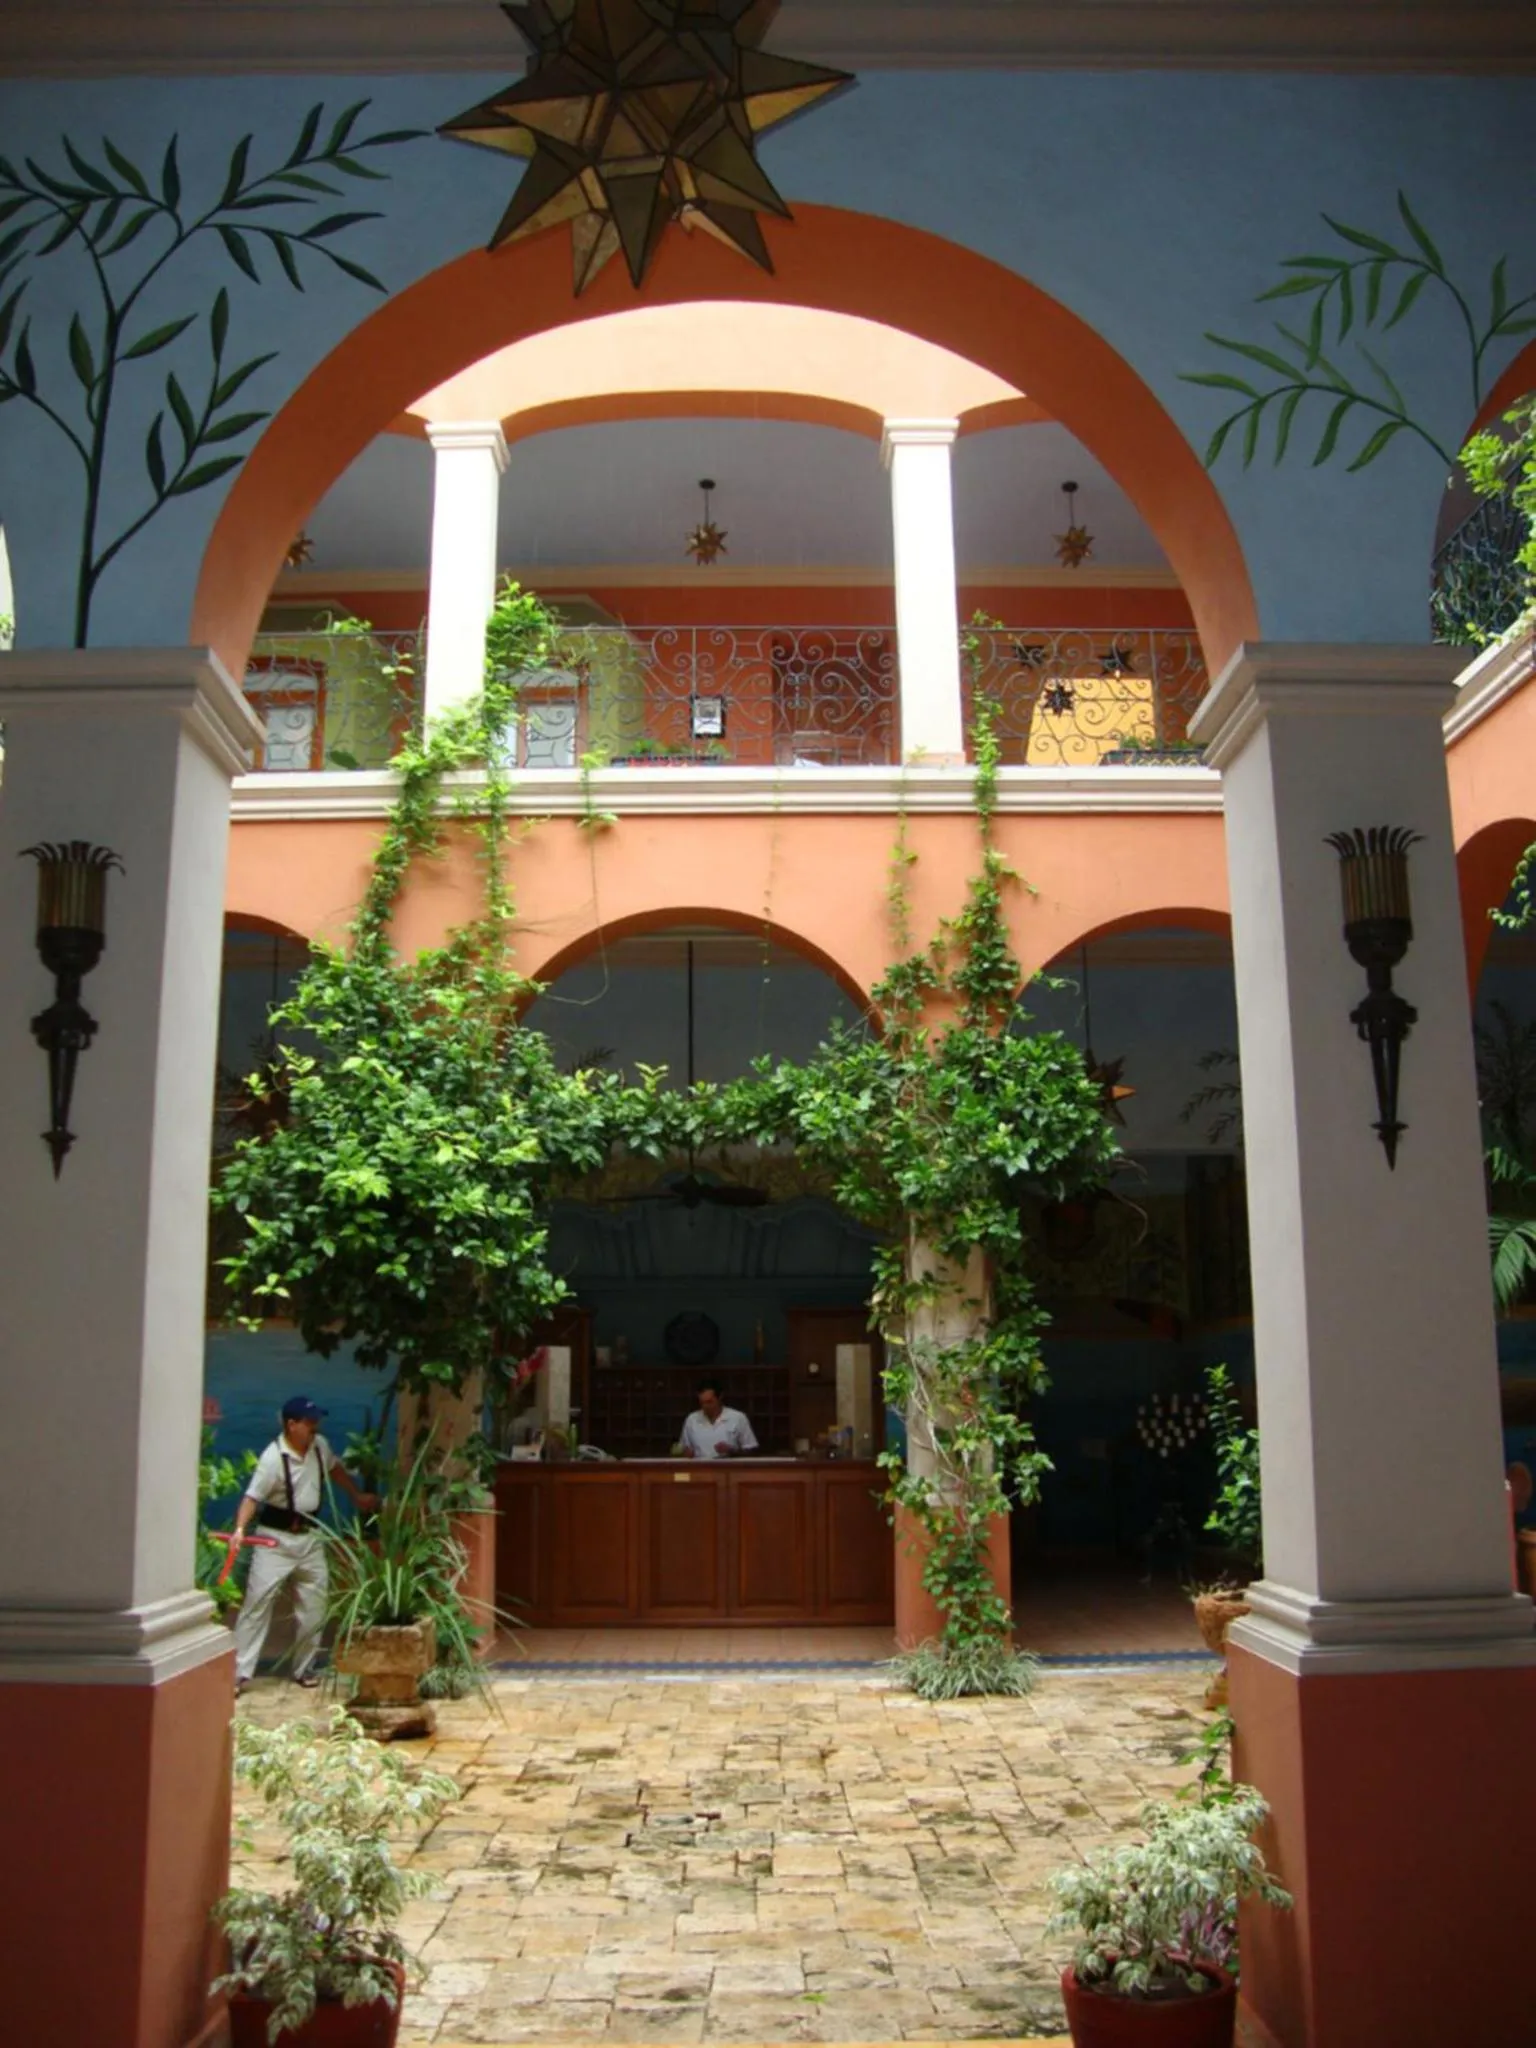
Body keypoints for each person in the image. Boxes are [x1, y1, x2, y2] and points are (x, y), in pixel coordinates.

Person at [230, 1396, 377, 1696]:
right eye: (309, 1423)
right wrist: (240, 1529)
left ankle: (305, 1667)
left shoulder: (319, 1446)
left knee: (314, 1605)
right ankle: (239, 1672)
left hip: (310, 1537)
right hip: (275, 1539)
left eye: (315, 1422)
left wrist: (355, 1495)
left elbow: (334, 1469)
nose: (314, 1427)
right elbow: (252, 1498)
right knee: (257, 1604)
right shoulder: (273, 1458)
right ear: (291, 1424)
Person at [680, 1380, 759, 1460]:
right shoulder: (691, 1419)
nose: (705, 1406)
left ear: (720, 1397)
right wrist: (685, 1453)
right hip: (700, 1469)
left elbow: (752, 1451)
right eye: (702, 1403)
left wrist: (732, 1451)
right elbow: (683, 1449)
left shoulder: (738, 1417)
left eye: (709, 1402)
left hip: (729, 1469)